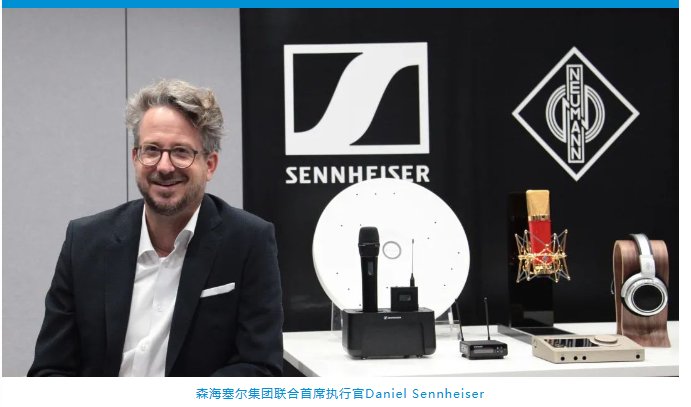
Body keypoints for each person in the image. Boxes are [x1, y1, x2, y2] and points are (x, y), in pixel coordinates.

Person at [28, 79, 283, 377]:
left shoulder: (248, 242)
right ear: (135, 157)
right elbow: (50, 370)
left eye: (181, 152)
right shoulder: (84, 241)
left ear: (210, 165)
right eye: (151, 150)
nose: (164, 167)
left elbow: (259, 367)